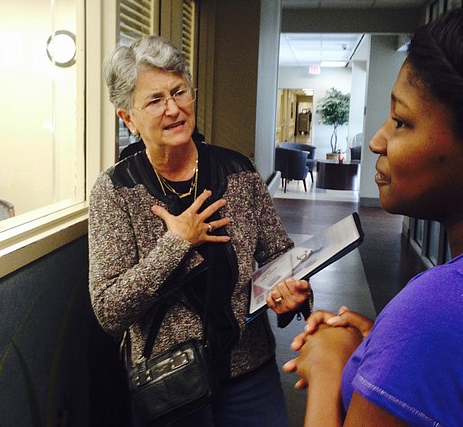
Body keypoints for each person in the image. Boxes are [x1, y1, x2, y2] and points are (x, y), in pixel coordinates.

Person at [284, 0, 463, 426]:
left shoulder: (449, 308)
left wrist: (330, 368)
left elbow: (460, 338)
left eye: (402, 122)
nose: (377, 141)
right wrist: (392, 354)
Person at [89, 35, 311, 426]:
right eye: (155, 100)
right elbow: (109, 310)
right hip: (169, 382)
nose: (173, 109)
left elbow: (280, 254)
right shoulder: (116, 190)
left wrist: (290, 289)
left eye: (179, 92)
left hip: (250, 373)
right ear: (128, 118)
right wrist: (177, 243)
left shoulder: (238, 172)